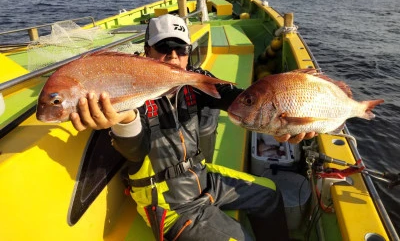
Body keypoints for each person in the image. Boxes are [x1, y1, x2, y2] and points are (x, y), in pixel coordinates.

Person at [70, 14, 315, 241]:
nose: (174, 56)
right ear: (146, 52)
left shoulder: (195, 79)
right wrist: (124, 120)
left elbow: (237, 100)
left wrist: (286, 118)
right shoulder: (131, 90)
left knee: (270, 193)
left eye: (181, 49)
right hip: (168, 202)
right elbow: (135, 151)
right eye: (164, 48)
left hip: (200, 176)